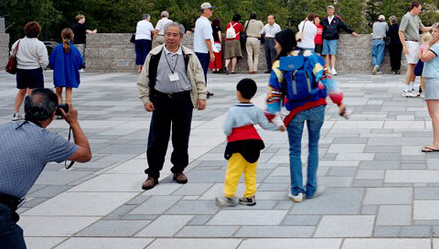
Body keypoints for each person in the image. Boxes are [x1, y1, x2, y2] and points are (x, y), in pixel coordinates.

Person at [0, 90, 92, 249]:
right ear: (53, 114)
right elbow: (85, 154)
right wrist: (73, 122)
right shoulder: (48, 141)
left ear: (25, 110)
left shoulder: (3, 128)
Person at [266, 28, 347, 202]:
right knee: (313, 147)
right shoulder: (311, 56)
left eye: (276, 42)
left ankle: (296, 191)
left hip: (294, 111)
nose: (274, 44)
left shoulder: (279, 64)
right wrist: (339, 102)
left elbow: (274, 93)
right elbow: (327, 80)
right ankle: (311, 188)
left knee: (294, 150)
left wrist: (273, 115)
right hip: (317, 106)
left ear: (282, 44)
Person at [137, 22, 207, 190]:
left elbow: (199, 76)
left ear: (181, 37)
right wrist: (146, 100)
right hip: (160, 101)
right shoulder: (154, 55)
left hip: (183, 101)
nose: (170, 38)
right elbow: (143, 79)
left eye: (175, 35)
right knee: (157, 139)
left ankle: (178, 170)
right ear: (164, 35)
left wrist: (202, 97)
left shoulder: (189, 55)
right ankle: (152, 173)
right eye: (168, 34)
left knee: (181, 138)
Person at [216, 78, 277, 208]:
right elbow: (265, 125)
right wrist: (278, 127)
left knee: (233, 171)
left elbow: (227, 128)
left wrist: (228, 136)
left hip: (237, 143)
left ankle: (228, 195)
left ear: (238, 93)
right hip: (254, 142)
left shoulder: (233, 110)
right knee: (250, 171)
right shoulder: (256, 110)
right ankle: (250, 196)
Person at [419, 22, 439, 152]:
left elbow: (424, 58)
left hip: (433, 80)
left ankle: (436, 143)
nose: (433, 34)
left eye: (436, 32)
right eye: (432, 31)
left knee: (434, 114)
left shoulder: (437, 46)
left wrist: (427, 45)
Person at [10, 21, 49, 121]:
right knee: (33, 93)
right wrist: (42, 67)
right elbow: (44, 60)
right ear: (38, 32)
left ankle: (15, 112)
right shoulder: (39, 44)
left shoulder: (18, 42)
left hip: (21, 70)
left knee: (21, 91)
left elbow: (12, 53)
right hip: (34, 70)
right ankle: (30, 113)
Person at [48, 28, 84, 109]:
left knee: (58, 93)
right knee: (69, 91)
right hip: (71, 73)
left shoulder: (56, 49)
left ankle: (60, 110)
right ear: (72, 36)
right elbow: (81, 62)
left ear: (61, 36)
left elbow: (51, 62)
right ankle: (68, 108)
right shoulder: (75, 49)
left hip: (59, 73)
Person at [321, 5, 359, 75]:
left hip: (333, 39)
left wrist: (352, 32)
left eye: (331, 9)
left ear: (333, 11)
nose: (329, 11)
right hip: (325, 39)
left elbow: (344, 27)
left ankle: (333, 69)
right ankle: (327, 69)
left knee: (333, 54)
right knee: (326, 54)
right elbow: (318, 26)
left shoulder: (337, 20)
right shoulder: (324, 20)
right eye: (328, 10)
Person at [399, 2, 427, 97]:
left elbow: (422, 28)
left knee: (414, 66)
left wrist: (434, 27)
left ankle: (411, 87)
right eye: (419, 9)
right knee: (411, 65)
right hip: (409, 42)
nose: (420, 11)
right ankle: (406, 89)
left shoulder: (416, 18)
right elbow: (401, 31)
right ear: (414, 8)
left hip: (415, 42)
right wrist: (404, 46)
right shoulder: (406, 17)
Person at [193, 3, 216, 86]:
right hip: (203, 51)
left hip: (198, 49)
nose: (211, 11)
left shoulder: (199, 21)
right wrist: (211, 52)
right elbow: (207, 39)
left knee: (200, 72)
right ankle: (202, 89)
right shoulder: (206, 23)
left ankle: (201, 88)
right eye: (210, 9)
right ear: (205, 10)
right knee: (203, 71)